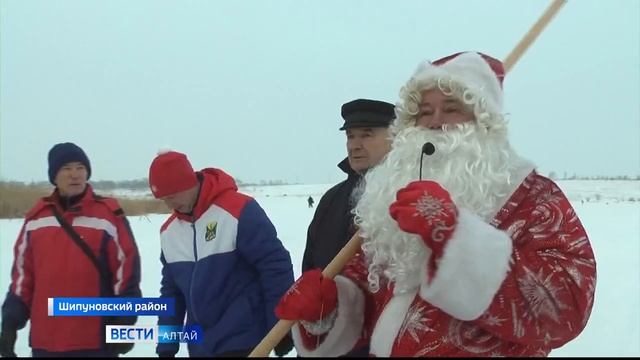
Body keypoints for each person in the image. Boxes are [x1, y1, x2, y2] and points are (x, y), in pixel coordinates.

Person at [275, 52, 597, 357]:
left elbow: (567, 306)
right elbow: (367, 297)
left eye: (452, 108)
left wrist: (455, 237)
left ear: (483, 120)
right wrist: (329, 307)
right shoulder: (391, 196)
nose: (435, 122)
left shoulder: (532, 197)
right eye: (425, 112)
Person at [0, 142, 142, 357]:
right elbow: (23, 278)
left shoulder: (107, 216)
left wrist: (124, 320)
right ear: (54, 176)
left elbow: (127, 271)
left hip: (95, 341)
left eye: (80, 168)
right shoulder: (36, 220)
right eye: (66, 169)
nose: (75, 175)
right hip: (46, 342)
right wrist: (10, 323)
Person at [148, 150, 295, 357]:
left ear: (187, 183)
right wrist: (166, 346)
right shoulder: (169, 232)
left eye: (172, 196)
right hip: (200, 347)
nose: (169, 205)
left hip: (244, 340)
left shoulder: (238, 210)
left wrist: (279, 329)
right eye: (163, 199)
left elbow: (275, 267)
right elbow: (172, 294)